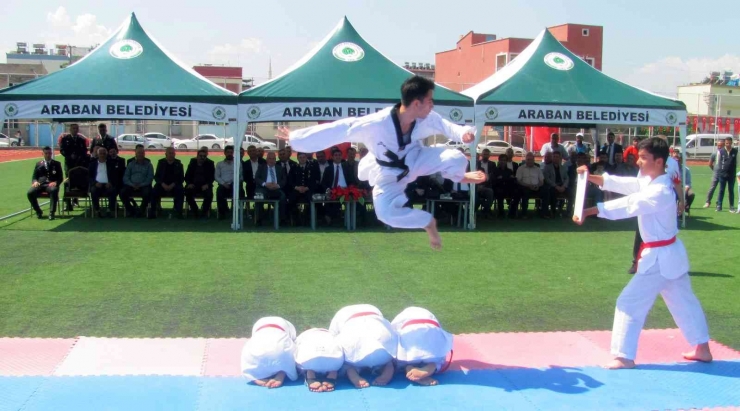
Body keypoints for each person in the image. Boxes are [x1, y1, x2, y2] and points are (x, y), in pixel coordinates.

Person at [277, 75, 485, 249]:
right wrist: (297, 138)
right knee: (386, 214)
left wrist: (464, 134)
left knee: (455, 157)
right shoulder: (376, 124)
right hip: (387, 173)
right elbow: (341, 128)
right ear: (416, 103)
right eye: (430, 100)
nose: (432, 105)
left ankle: (460, 176)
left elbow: (450, 127)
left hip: (416, 159)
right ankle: (428, 222)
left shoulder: (428, 118)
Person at [574, 137, 712, 369]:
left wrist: (589, 211)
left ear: (659, 161)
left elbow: (630, 204)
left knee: (629, 302)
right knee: (684, 302)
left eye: (643, 158)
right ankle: (702, 348)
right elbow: (628, 185)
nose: (638, 162)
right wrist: (592, 178)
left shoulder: (661, 191)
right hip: (670, 257)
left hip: (659, 260)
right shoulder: (654, 180)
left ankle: (623, 356)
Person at [329, 304, 398, 389]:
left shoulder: (339, 314)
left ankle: (349, 369)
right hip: (383, 354)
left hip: (355, 350)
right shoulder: (374, 308)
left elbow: (331, 339)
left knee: (340, 351)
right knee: (384, 346)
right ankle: (388, 364)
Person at [391, 307, 453, 386]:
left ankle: (407, 366)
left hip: (411, 336)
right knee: (439, 356)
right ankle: (434, 365)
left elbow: (391, 333)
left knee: (396, 356)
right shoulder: (430, 316)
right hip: (433, 334)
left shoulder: (401, 317)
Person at [241, 316, 298, 388]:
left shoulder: (257, 325)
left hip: (255, 352)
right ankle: (282, 372)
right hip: (281, 352)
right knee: (293, 350)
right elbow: (294, 340)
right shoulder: (290, 327)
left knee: (250, 351)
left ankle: (253, 376)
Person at [294, 328, 343, 392]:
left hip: (309, 362)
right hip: (335, 362)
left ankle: (310, 372)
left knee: (298, 355)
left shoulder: (303, 335)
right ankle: (333, 372)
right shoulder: (332, 335)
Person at [59, 123, 89, 211]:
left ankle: (75, 199)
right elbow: (62, 150)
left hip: (79, 164)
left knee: (78, 182)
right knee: (67, 183)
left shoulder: (81, 139)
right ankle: (67, 203)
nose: (75, 130)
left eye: (76, 128)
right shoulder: (65, 139)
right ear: (70, 129)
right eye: (73, 128)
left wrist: (80, 157)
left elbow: (84, 150)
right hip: (69, 164)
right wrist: (69, 156)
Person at [27, 146, 63, 220]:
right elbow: (34, 177)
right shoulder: (38, 164)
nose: (48, 155)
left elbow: (60, 177)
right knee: (30, 192)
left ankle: (51, 212)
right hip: (40, 185)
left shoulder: (56, 164)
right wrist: (35, 182)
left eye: (49, 153)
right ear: (42, 154)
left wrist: (56, 182)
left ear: (51, 153)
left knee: (54, 190)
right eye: (46, 153)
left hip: (50, 185)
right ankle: (38, 211)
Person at [150, 147, 184, 219]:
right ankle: (153, 211)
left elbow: (181, 178)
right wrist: (162, 184)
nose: (171, 155)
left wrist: (173, 184)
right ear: (165, 154)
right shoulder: (161, 162)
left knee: (181, 190)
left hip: (175, 185)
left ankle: (178, 211)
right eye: (169, 153)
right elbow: (157, 176)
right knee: (153, 191)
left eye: (172, 153)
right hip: (162, 185)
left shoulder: (179, 163)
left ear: (175, 154)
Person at [120, 145, 154, 217]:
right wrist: (132, 184)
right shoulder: (131, 164)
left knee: (148, 193)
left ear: (144, 154)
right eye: (139, 153)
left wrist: (140, 185)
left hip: (144, 186)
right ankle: (131, 210)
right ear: (135, 153)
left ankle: (141, 210)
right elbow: (126, 177)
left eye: (142, 153)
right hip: (131, 185)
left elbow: (150, 178)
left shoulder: (149, 165)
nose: (140, 154)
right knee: (122, 192)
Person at [255, 151, 288, 224]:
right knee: (259, 196)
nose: (271, 160)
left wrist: (278, 185)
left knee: (283, 196)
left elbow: (284, 180)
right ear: (266, 159)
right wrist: (265, 184)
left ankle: (282, 219)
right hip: (264, 188)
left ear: (275, 160)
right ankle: (259, 219)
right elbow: (257, 178)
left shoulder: (280, 168)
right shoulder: (261, 167)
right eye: (270, 158)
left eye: (273, 159)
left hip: (276, 188)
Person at [185, 147, 215, 219]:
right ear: (197, 156)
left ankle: (204, 212)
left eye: (204, 156)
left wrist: (207, 184)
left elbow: (212, 177)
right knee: (187, 192)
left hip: (205, 185)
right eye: (200, 156)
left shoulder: (210, 163)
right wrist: (189, 183)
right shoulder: (192, 163)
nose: (202, 158)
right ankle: (195, 210)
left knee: (209, 194)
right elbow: (187, 176)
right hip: (193, 185)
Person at [88, 147, 118, 218]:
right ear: (97, 154)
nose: (102, 155)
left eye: (104, 154)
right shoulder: (92, 164)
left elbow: (115, 176)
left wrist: (110, 182)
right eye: (100, 154)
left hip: (108, 184)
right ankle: (97, 210)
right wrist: (95, 183)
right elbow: (89, 177)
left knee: (113, 190)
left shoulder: (111, 164)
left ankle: (109, 210)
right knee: (93, 190)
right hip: (97, 184)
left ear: (106, 154)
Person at [216, 146, 243, 219]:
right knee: (219, 191)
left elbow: (241, 176)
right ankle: (222, 212)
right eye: (228, 152)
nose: (229, 154)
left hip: (234, 185)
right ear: (224, 153)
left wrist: (235, 183)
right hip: (223, 185)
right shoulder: (219, 164)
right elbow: (217, 176)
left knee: (240, 191)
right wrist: (223, 183)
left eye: (231, 152)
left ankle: (236, 211)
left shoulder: (238, 163)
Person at [288, 152, 315, 224]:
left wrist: (307, 188)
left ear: (306, 158)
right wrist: (297, 187)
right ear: (297, 158)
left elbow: (314, 180)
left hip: (308, 190)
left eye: (303, 157)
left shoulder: (311, 167)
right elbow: (290, 180)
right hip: (297, 190)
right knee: (291, 199)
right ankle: (295, 219)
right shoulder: (294, 167)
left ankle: (308, 219)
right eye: (300, 157)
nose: (302, 159)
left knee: (312, 199)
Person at [516, 152, 544, 218]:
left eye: (531, 160)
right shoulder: (521, 168)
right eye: (528, 159)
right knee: (524, 192)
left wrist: (538, 185)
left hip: (537, 187)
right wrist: (528, 186)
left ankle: (544, 213)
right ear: (525, 160)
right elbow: (518, 180)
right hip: (525, 187)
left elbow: (542, 181)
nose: (530, 161)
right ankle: (524, 214)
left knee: (546, 191)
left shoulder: (538, 169)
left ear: (534, 160)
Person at [712, 137, 737, 212]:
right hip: (722, 174)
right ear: (725, 143)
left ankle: (731, 206)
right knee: (721, 190)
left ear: (731, 143)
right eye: (726, 143)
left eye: (729, 143)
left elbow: (737, 162)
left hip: (732, 174)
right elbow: (718, 163)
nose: (728, 144)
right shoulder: (721, 151)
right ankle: (719, 206)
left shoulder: (735, 151)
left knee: (731, 190)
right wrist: (720, 171)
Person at [543, 150, 570, 217]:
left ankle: (569, 212)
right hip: (553, 186)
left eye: (557, 157)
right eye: (554, 156)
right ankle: (553, 211)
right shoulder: (547, 167)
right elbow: (547, 179)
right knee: (552, 192)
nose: (555, 158)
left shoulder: (563, 167)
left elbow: (567, 178)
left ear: (560, 158)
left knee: (572, 192)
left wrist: (564, 186)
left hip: (562, 185)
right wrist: (556, 186)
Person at [704, 139, 725, 208]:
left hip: (724, 174)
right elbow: (710, 164)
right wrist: (715, 169)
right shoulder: (714, 154)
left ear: (724, 146)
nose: (719, 147)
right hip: (716, 174)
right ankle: (707, 202)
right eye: (718, 145)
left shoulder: (726, 154)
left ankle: (718, 203)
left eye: (721, 146)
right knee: (712, 188)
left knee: (721, 189)